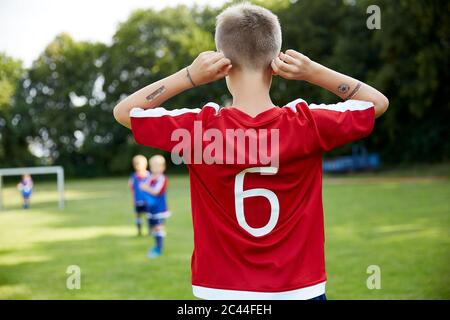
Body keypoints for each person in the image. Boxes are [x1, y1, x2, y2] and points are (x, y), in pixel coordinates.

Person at [113, 2, 388, 299]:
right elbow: (376, 103)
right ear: (275, 62)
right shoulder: (307, 124)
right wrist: (313, 72)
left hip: (220, 291)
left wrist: (189, 76)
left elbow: (124, 111)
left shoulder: (199, 129)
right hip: (299, 290)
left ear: (222, 61)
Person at [139, 155, 170, 259]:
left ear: (163, 167)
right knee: (153, 229)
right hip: (151, 208)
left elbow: (156, 191)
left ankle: (159, 249)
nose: (155, 168)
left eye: (157, 166)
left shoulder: (162, 179)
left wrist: (146, 188)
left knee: (158, 228)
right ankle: (156, 246)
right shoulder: (150, 177)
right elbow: (142, 185)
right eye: (152, 166)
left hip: (159, 209)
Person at [129, 155, 151, 236]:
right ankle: (139, 230)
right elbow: (132, 187)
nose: (138, 166)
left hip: (147, 200)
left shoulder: (149, 176)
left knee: (148, 215)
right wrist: (133, 198)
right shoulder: (134, 176)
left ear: (145, 164)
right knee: (138, 215)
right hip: (138, 200)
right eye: (136, 164)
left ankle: (150, 230)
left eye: (140, 164)